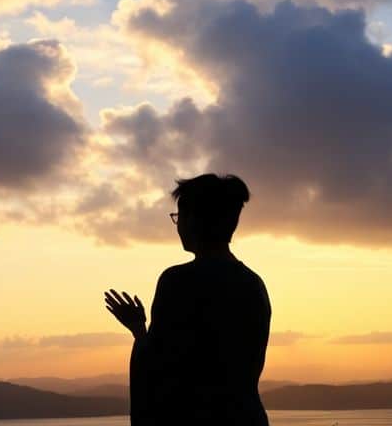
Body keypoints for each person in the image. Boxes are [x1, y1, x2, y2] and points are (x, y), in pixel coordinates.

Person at [104, 174, 270, 425]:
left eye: (180, 217)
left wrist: (139, 329)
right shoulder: (254, 284)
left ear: (196, 220)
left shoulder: (178, 281)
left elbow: (163, 368)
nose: (178, 225)